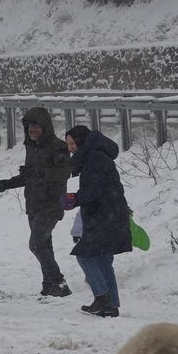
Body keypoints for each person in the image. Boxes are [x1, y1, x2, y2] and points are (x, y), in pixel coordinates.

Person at [0, 107, 72, 298]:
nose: (33, 130)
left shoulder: (58, 147)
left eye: (37, 126)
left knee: (37, 244)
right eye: (30, 126)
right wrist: (10, 183)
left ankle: (58, 282)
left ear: (45, 126)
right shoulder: (32, 147)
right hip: (34, 204)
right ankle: (49, 285)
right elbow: (30, 176)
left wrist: (38, 173)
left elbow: (63, 173)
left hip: (51, 204)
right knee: (45, 245)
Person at [60, 125, 132, 317]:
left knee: (86, 256)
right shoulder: (96, 155)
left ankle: (103, 298)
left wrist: (74, 198)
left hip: (105, 216)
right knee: (102, 259)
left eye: (73, 143)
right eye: (68, 144)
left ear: (82, 142)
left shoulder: (95, 158)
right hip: (111, 214)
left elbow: (95, 191)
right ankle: (111, 305)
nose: (70, 148)